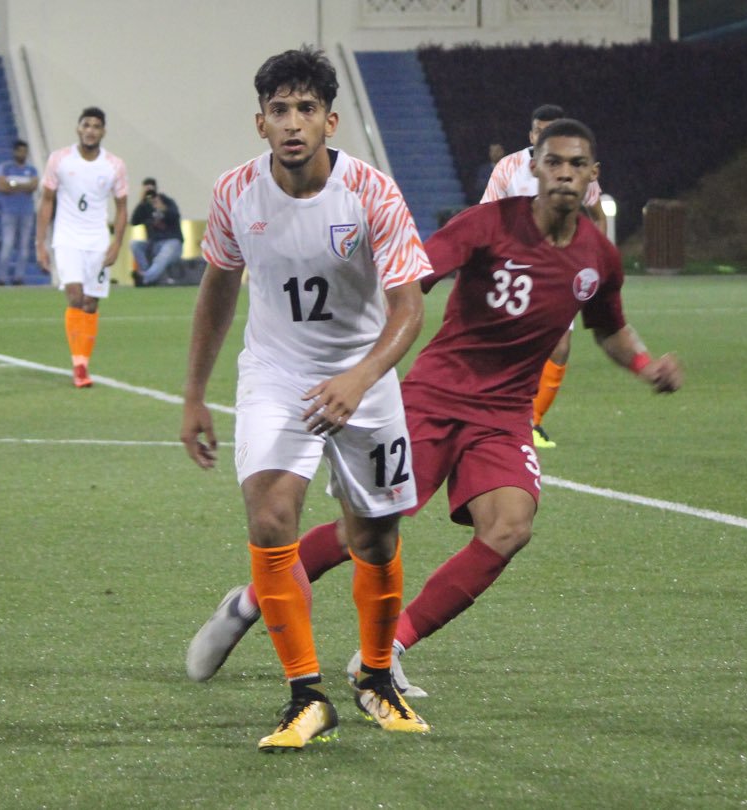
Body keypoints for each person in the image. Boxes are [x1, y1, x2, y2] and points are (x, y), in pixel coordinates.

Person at [186, 118, 683, 702]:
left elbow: (610, 327)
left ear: (593, 176)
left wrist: (646, 365)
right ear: (535, 168)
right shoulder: (488, 224)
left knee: (509, 528)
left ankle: (389, 649)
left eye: (577, 165)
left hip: (505, 415)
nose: (565, 174)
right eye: (554, 163)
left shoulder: (598, 257)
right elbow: (412, 278)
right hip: (435, 396)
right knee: (361, 533)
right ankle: (248, 601)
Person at [180, 45, 432, 753]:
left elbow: (409, 308)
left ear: (331, 121)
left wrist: (360, 378)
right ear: (260, 123)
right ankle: (305, 695)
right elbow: (219, 288)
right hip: (277, 376)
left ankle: (377, 678)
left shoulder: (372, 192)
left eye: (306, 110)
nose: (293, 123)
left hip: (365, 374)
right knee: (269, 516)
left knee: (373, 538)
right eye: (280, 110)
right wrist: (195, 394)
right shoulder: (235, 193)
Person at [482, 104, 608, 449]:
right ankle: (495, 416)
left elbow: (596, 214)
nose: (546, 137)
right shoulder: (509, 167)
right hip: (514, 271)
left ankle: (532, 423)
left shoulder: (573, 168)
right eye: (540, 131)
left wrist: (592, 255)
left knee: (561, 346)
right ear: (532, 136)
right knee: (508, 347)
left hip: (559, 269)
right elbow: (485, 214)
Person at [35, 107, 128, 388]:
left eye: (96, 126)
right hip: (67, 239)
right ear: (78, 128)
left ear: (103, 131)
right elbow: (47, 201)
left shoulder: (114, 165)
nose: (90, 130)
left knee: (91, 303)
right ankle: (79, 367)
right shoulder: (60, 160)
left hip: (97, 241)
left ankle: (83, 362)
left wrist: (116, 244)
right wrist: (40, 243)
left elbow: (122, 208)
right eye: (86, 125)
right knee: (75, 296)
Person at [0, 139, 39, 285]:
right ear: (14, 152)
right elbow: (2, 187)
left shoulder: (31, 170)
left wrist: (13, 185)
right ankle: (1, 277)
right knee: (7, 244)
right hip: (9, 211)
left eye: (24, 151)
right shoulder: (5, 168)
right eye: (20, 151)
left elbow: (33, 186)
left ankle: (19, 277)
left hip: (26, 212)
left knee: (24, 246)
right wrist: (22, 186)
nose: (22, 154)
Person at [129, 177, 184, 287]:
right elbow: (134, 221)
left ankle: (145, 278)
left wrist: (163, 208)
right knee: (134, 244)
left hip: (172, 242)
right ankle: (147, 275)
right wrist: (141, 202)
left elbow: (176, 216)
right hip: (153, 244)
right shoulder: (144, 206)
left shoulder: (167, 201)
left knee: (162, 256)